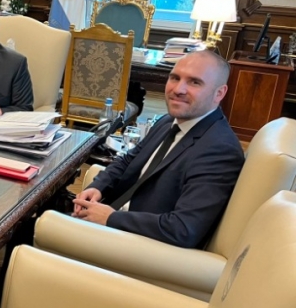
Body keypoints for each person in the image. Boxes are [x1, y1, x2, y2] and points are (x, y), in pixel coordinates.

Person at [72, 50, 245, 249]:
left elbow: (183, 229)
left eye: (194, 82)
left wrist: (111, 218)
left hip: (137, 245)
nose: (178, 89)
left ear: (219, 93)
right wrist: (99, 186)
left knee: (38, 228)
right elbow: (129, 160)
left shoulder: (219, 150)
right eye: (175, 78)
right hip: (111, 218)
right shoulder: (168, 121)